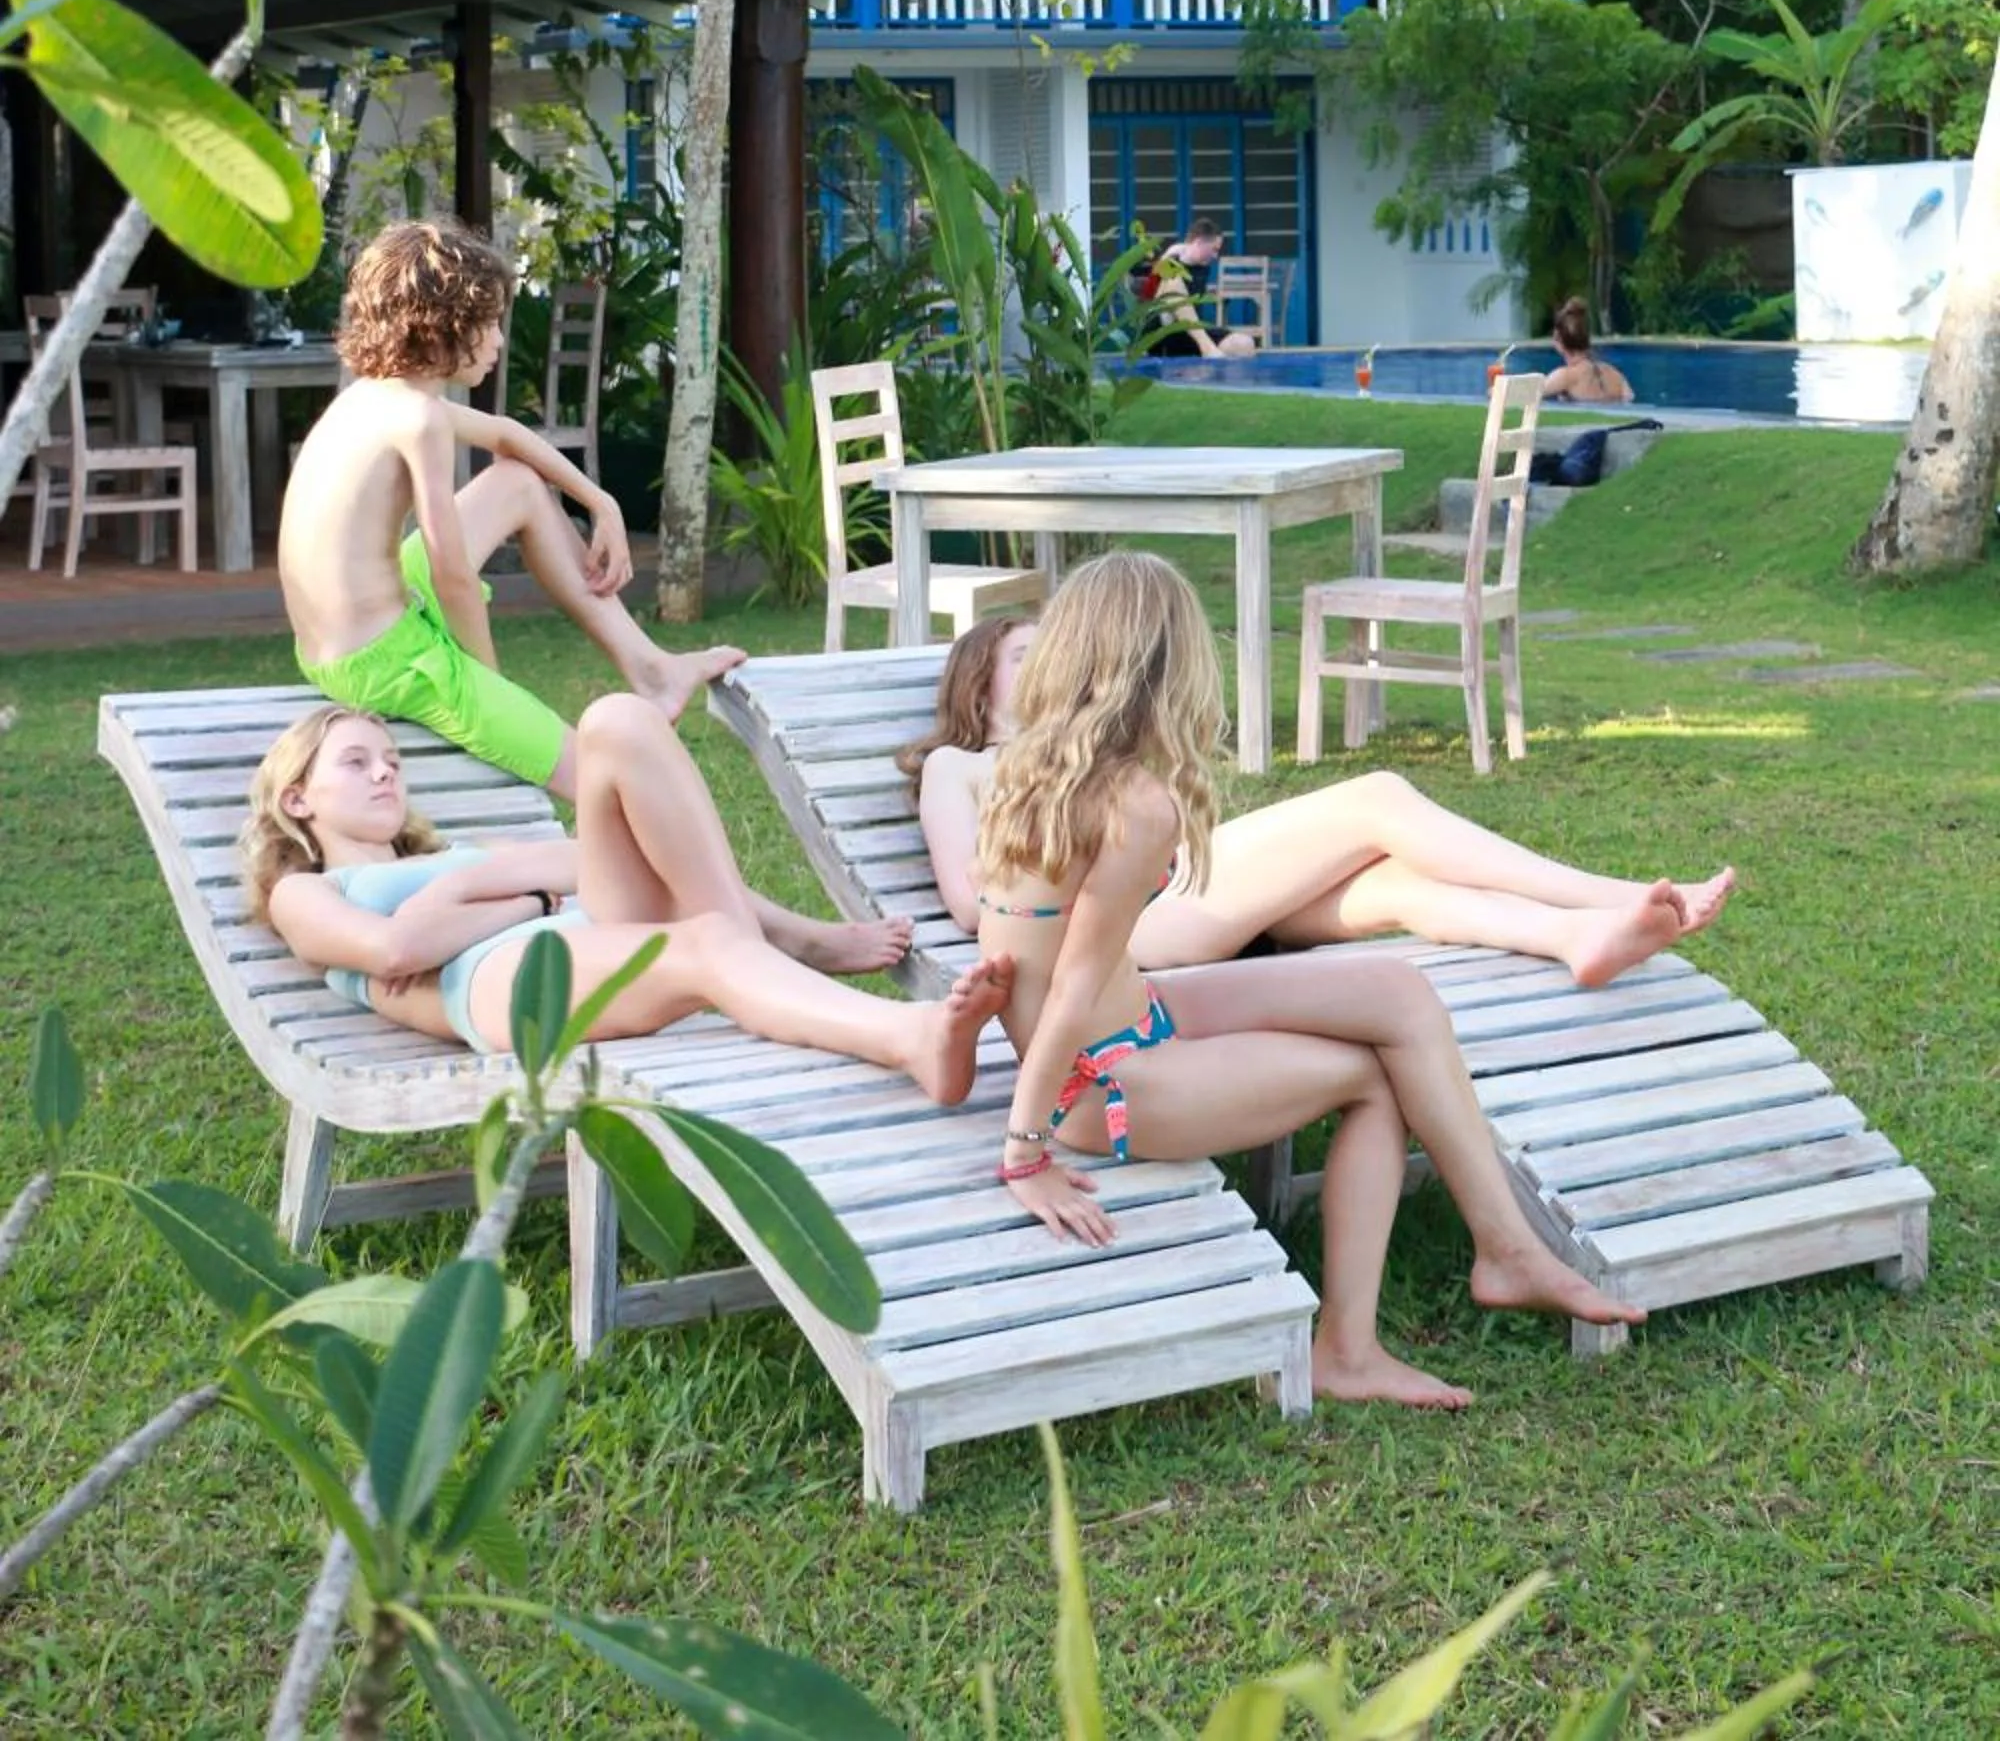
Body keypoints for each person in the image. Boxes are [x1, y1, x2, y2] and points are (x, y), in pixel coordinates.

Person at [973, 554, 1644, 1406]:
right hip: (1101, 1081)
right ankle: (1350, 1350)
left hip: (1131, 1019)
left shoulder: (1036, 769)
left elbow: (1050, 969)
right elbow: (1067, 989)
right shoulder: (1134, 803)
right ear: (1169, 667)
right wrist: (1024, 1154)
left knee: (1398, 993)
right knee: (1373, 1082)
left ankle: (1503, 1245)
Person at [281, 217, 908, 976]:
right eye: (489, 327)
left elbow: (509, 439)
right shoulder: (415, 420)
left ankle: (648, 667)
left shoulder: (374, 399)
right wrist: (484, 680)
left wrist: (596, 499)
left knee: (515, 486)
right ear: (443, 329)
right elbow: (450, 575)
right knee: (617, 782)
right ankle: (778, 932)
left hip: (352, 634)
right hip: (387, 661)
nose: (500, 343)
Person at [907, 614, 1733, 988]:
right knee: (1377, 797)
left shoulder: (1082, 752)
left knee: (1391, 881)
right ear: (980, 691)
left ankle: (1576, 937)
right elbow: (964, 899)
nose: (1049, 662)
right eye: (1024, 655)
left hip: (1186, 896)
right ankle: (1615, 892)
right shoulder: (960, 764)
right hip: (1130, 923)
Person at [245, 697, 1012, 1094]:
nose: (385, 773)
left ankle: (788, 940)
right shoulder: (308, 891)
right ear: (297, 800)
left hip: (571, 930)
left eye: (391, 760)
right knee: (707, 945)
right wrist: (530, 899)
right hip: (496, 984)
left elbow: (586, 859)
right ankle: (906, 1034)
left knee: (619, 721)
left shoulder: (461, 856)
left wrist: (476, 885)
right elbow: (397, 949)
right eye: (356, 763)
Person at [1143, 216, 1258, 359]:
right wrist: (1167, 256)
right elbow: (1149, 293)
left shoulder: (1203, 267)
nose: (1215, 256)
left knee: (1244, 344)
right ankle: (1207, 348)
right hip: (1162, 335)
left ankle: (1218, 372)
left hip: (1189, 334)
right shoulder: (1171, 260)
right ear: (1198, 242)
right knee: (1173, 282)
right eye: (1214, 249)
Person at [1539, 297, 1634, 406]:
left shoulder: (1565, 376)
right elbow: (1629, 399)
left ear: (1558, 340)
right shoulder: (1615, 375)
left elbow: (1528, 396)